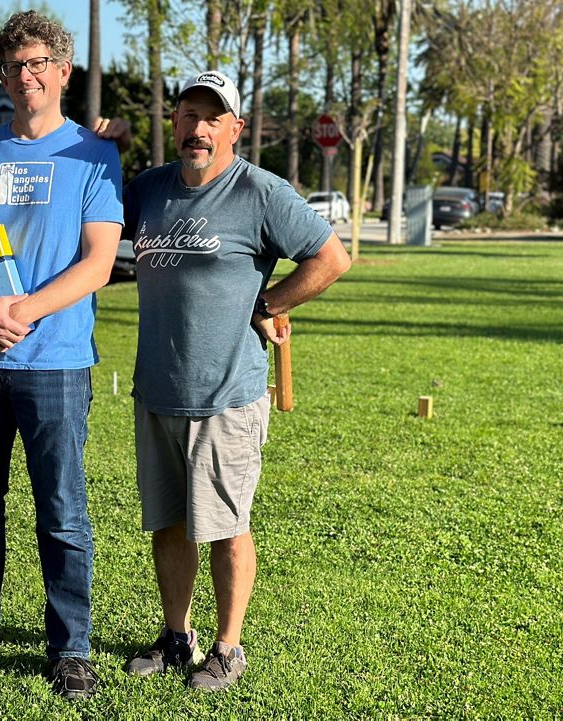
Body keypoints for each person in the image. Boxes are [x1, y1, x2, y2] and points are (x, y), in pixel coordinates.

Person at [115, 71, 351, 691]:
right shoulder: (147, 191)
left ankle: (227, 647)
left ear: (235, 129)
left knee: (225, 524)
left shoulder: (261, 192)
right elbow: (83, 215)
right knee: (167, 523)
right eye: (189, 115)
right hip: (157, 389)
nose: (199, 128)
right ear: (174, 123)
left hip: (227, 394)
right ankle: (176, 637)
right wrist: (100, 147)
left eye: (213, 118)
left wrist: (270, 303)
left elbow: (331, 258)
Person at [0, 10, 123, 701]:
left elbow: (99, 262)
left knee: (62, 508)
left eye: (39, 63)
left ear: (64, 72)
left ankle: (70, 646)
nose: (26, 76)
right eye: (14, 67)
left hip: (57, 361)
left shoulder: (94, 156)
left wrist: (24, 311)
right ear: (2, 77)